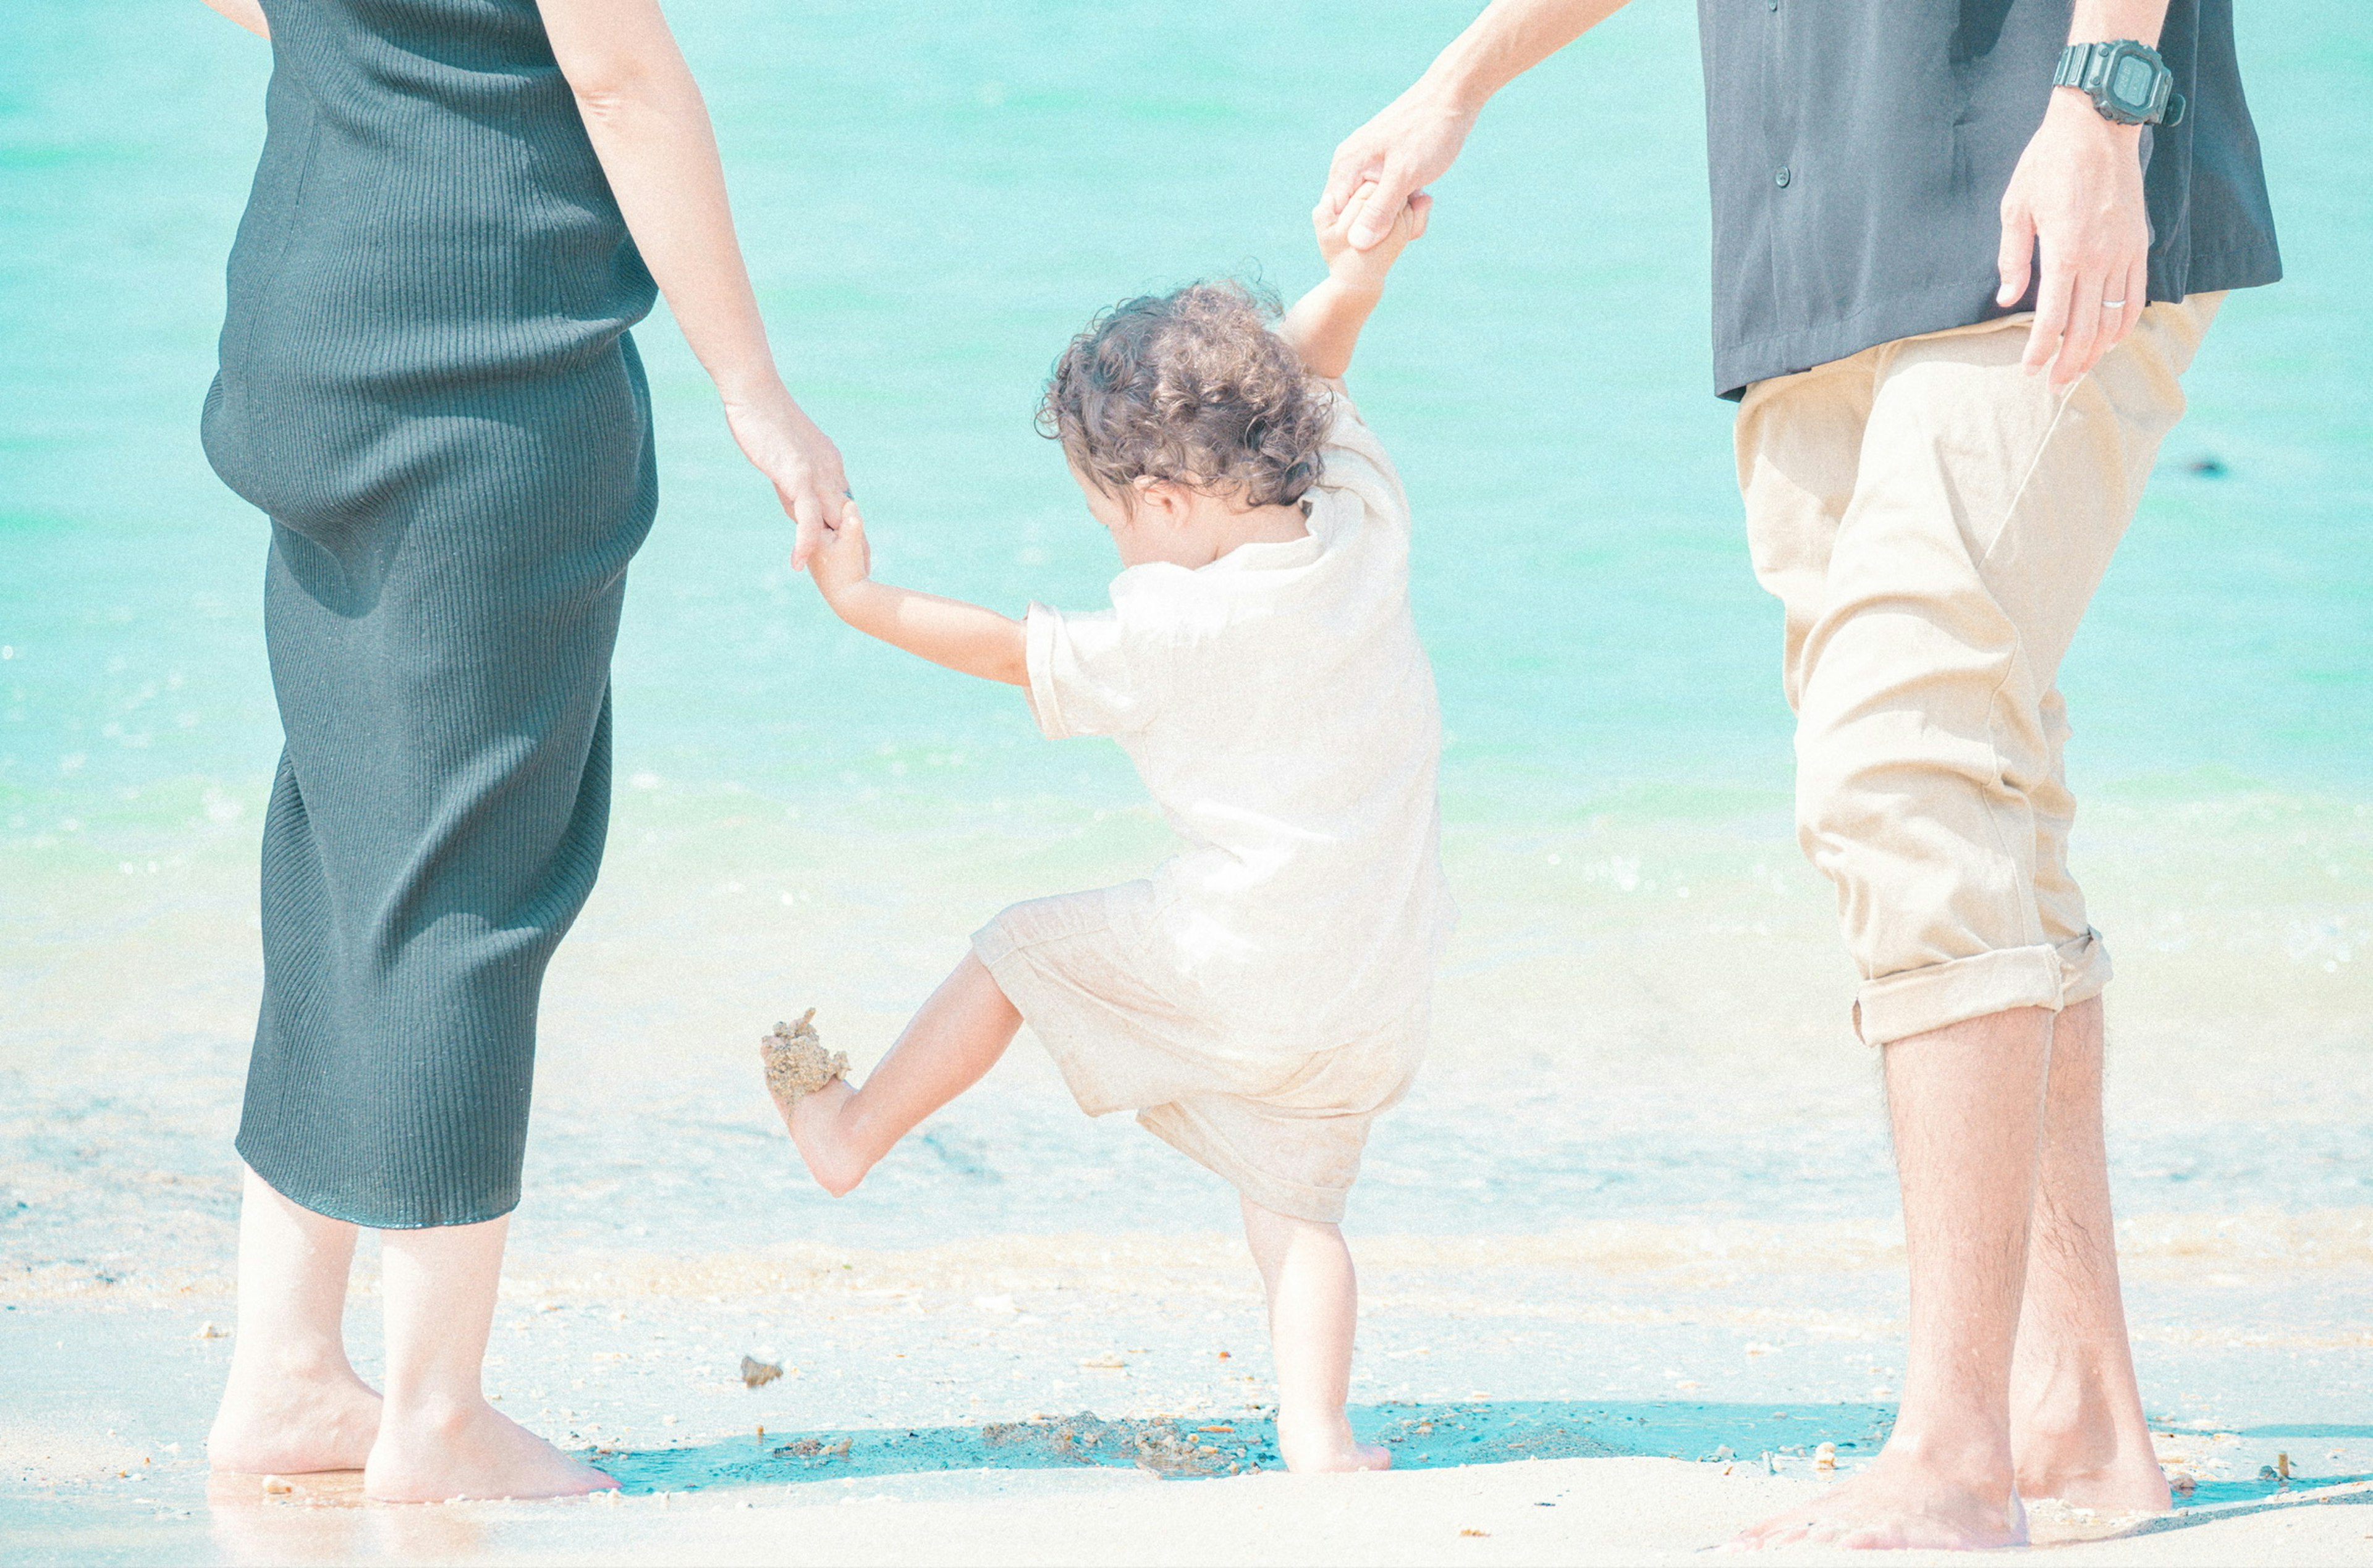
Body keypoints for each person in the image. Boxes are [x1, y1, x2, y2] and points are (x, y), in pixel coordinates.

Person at [1322, 0, 2277, 1550]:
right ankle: (2080, 1418)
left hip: (2041, 197)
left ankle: (1956, 1461)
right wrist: (1459, 80)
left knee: (1902, 776)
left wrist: (2105, 101)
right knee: (1983, 796)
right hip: (1813, 243)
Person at [193, 0, 850, 1501]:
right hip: (475, 359)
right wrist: (753, 388)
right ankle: (433, 1420)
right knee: (465, 888)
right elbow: (619, 76)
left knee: (346, 849)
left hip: (308, 328)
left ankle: (287, 1378)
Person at [761, 186, 1447, 1475]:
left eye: (1109, 516)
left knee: (1020, 947)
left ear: (1174, 503)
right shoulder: (1359, 515)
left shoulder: (1175, 630)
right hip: (1374, 980)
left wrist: (862, 604)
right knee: (1296, 1204)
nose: (1112, 543)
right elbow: (1314, 367)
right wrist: (1359, 275)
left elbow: (1013, 652)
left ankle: (850, 1135)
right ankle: (1319, 1432)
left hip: (1240, 961)